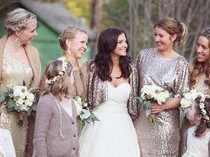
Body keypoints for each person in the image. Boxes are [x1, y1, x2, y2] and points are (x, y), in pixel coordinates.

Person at [79, 28, 140, 157]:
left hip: (123, 125)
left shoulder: (131, 69)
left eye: (125, 41)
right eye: (120, 42)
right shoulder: (93, 68)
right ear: (109, 44)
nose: (125, 45)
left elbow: (135, 102)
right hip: (97, 125)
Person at [134, 16, 189, 157]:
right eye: (155, 35)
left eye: (161, 35)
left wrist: (163, 106)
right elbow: (134, 87)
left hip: (166, 125)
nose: (157, 39)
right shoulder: (143, 55)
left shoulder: (180, 63)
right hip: (142, 122)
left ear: (173, 37)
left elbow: (181, 96)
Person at [0, 8, 41, 157]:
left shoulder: (33, 52)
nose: (35, 34)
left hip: (22, 119)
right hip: (1, 118)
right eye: (32, 30)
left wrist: (28, 103)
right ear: (18, 31)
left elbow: (35, 86)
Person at [33, 59, 79, 157]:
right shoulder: (46, 101)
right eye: (71, 75)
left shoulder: (70, 101)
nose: (73, 78)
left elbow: (74, 134)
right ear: (65, 78)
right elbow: (39, 138)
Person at [57, 27, 89, 100]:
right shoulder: (57, 67)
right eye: (82, 42)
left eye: (86, 43)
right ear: (68, 42)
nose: (85, 47)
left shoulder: (85, 67)